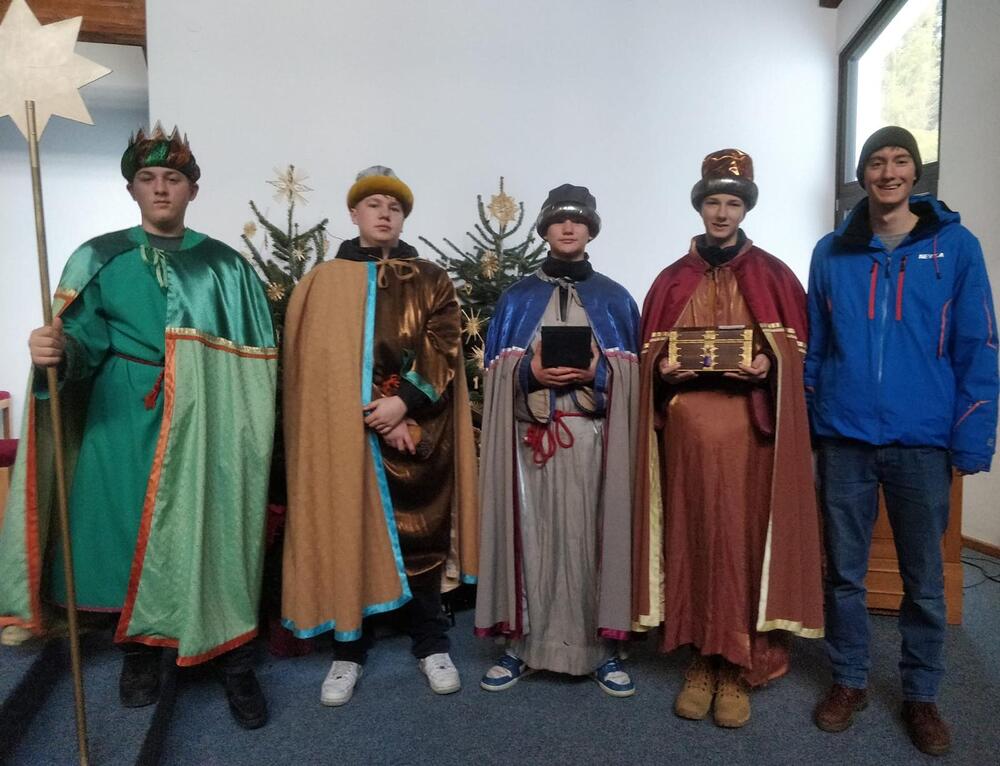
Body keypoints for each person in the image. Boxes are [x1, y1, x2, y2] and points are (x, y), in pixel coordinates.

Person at [0, 124, 277, 729]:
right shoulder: (100, 257)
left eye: (173, 178)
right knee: (126, 533)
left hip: (205, 420)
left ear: (192, 190)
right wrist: (56, 351)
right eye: (148, 178)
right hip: (122, 415)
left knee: (213, 528)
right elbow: (82, 343)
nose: (161, 188)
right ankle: (140, 653)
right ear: (132, 189)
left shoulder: (226, 267)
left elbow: (254, 371)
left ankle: (234, 659)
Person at [806, 126, 998, 756]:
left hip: (923, 441)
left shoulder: (955, 247)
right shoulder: (831, 252)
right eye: (876, 162)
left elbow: (978, 345)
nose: (887, 172)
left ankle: (921, 694)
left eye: (900, 161)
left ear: (916, 173)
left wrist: (972, 439)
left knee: (924, 579)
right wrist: (811, 423)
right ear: (862, 175)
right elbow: (817, 347)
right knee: (844, 573)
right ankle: (849, 680)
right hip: (844, 437)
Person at [633, 150, 823, 728]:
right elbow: (646, 366)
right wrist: (663, 371)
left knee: (740, 543)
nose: (722, 212)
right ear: (700, 206)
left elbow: (800, 358)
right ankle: (700, 658)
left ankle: (738, 662)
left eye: (732, 203)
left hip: (750, 438)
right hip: (686, 439)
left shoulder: (774, 277)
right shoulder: (671, 280)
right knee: (693, 538)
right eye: (713, 201)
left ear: (745, 208)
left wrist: (770, 366)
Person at [280, 166, 478, 706]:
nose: (385, 214)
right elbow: (317, 366)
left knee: (423, 535)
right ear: (354, 214)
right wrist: (377, 414)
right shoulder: (323, 281)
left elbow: (444, 343)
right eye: (374, 205)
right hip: (347, 435)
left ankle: (431, 642)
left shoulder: (432, 278)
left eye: (395, 207)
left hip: (421, 425)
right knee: (349, 527)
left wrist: (403, 403)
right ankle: (349, 649)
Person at [474, 184, 640, 697]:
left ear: (591, 230)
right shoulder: (516, 299)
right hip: (532, 440)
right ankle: (522, 647)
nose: (569, 228)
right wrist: (531, 373)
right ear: (545, 229)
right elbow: (493, 377)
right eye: (559, 220)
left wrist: (597, 373)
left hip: (592, 439)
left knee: (588, 539)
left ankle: (599, 651)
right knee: (533, 537)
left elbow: (637, 382)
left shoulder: (615, 299)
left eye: (579, 220)